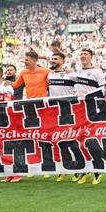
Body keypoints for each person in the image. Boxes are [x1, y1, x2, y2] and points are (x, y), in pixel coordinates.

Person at [6, 50, 51, 179]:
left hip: (43, 107)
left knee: (44, 137)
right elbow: (16, 85)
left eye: (27, 60)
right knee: (32, 137)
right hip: (29, 107)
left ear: (34, 60)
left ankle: (47, 166)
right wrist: (7, 83)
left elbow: (55, 83)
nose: (24, 62)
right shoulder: (24, 72)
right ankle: (34, 166)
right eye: (25, 60)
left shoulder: (46, 72)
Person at [75, 48, 106, 185]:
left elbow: (103, 90)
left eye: (85, 54)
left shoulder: (97, 72)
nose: (83, 56)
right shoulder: (77, 71)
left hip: (93, 110)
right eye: (81, 54)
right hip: (79, 110)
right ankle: (86, 170)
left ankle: (97, 171)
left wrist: (87, 96)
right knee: (80, 140)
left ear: (91, 57)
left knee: (92, 140)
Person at [47, 52, 78, 183]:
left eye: (56, 59)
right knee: (58, 142)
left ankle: (77, 169)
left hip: (69, 112)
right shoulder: (49, 74)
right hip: (54, 112)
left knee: (72, 141)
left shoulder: (71, 74)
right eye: (52, 59)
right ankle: (63, 170)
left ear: (63, 61)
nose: (53, 61)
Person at [0, 66, 20, 183]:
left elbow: (7, 103)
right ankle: (10, 173)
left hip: (10, 120)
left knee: (12, 147)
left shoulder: (7, 86)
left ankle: (18, 173)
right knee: (4, 148)